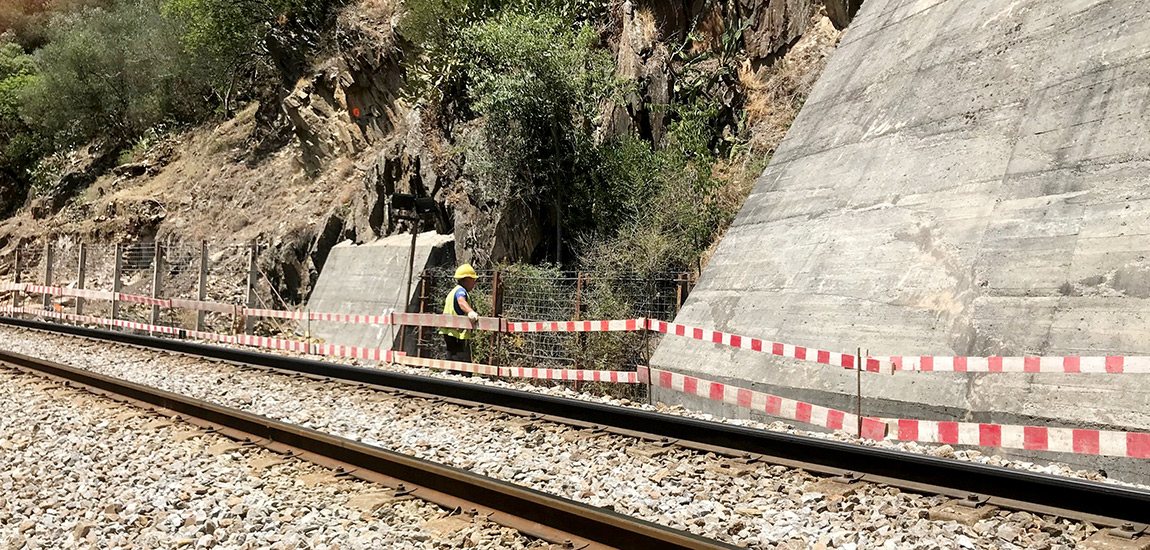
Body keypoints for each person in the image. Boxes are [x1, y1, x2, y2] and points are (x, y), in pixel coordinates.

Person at [438, 263, 480, 364]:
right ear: (468, 279)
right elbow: (461, 301)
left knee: (452, 362)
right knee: (464, 366)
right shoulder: (461, 291)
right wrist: (471, 312)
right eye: (473, 279)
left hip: (448, 331)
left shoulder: (453, 291)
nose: (474, 282)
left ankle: (450, 376)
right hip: (458, 334)